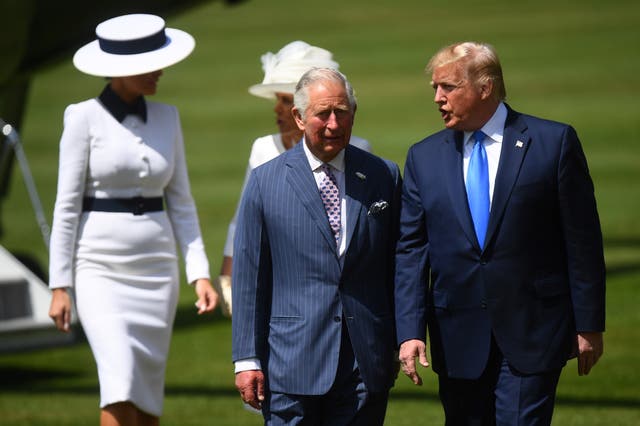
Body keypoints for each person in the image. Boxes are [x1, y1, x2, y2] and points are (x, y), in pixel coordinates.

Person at [395, 41, 606, 424]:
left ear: (485, 87)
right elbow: (411, 250)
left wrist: (589, 323)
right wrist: (409, 331)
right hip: (456, 336)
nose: (438, 98)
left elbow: (582, 240)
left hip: (533, 331)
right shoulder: (422, 157)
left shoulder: (553, 143)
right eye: (435, 89)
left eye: (448, 87)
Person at [47, 14, 218, 426]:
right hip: (98, 270)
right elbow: (66, 206)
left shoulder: (168, 116)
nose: (160, 71)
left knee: (145, 396)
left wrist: (200, 274)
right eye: (149, 64)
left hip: (157, 273)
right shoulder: (82, 117)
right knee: (119, 379)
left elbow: (182, 202)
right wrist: (59, 284)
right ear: (120, 70)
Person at [232, 67, 401, 424]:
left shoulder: (382, 175)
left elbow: (398, 265)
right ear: (298, 115)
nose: (334, 124)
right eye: (323, 113)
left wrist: (402, 338)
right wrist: (247, 359)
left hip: (364, 362)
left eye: (342, 112)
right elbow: (250, 277)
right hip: (290, 364)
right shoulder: (266, 182)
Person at [215, 41, 372, 317]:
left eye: (285, 101)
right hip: (281, 272)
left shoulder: (359, 150)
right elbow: (243, 214)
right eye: (277, 100)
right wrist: (229, 267)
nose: (277, 109)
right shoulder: (263, 148)